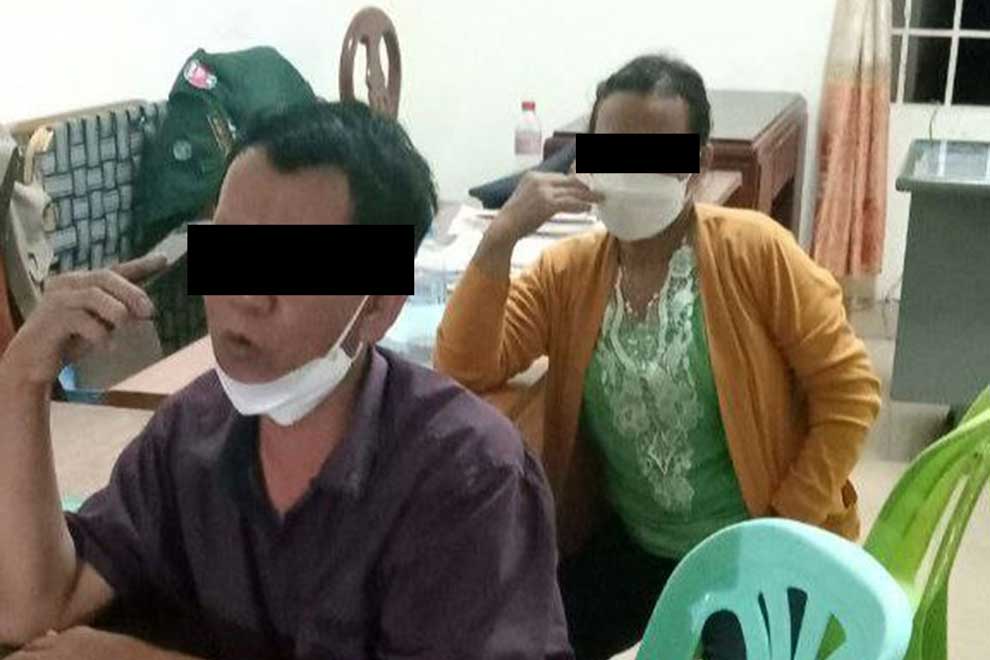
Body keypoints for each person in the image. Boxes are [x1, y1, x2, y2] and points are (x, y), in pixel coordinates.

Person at [0, 101, 572, 660]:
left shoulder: (470, 476)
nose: (245, 296)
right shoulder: (189, 434)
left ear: (378, 306)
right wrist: (23, 378)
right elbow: (36, 608)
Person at [435, 54, 881, 659]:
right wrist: (502, 235)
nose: (631, 173)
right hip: (636, 544)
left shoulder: (754, 252)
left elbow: (850, 392)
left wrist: (780, 523)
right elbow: (465, 365)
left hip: (764, 547)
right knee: (510, 634)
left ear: (699, 163)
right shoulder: (568, 274)